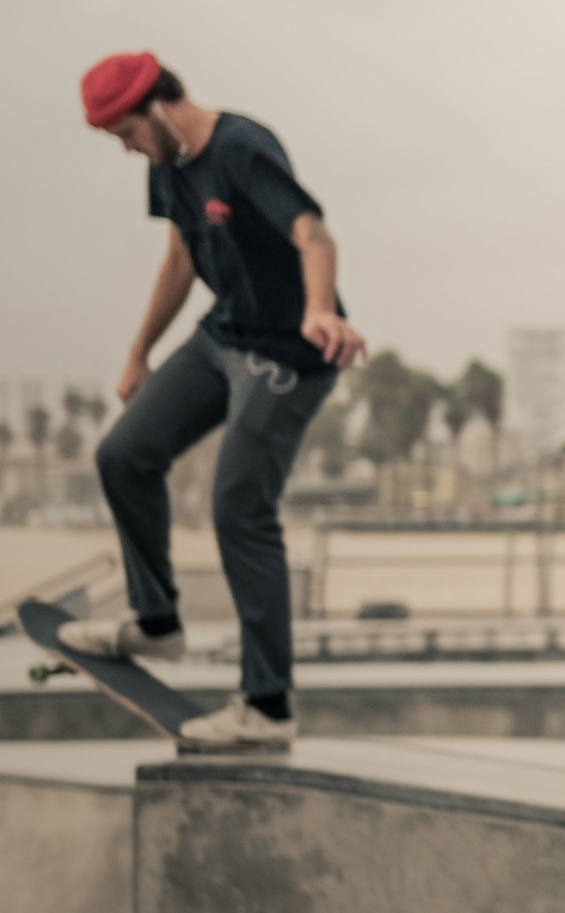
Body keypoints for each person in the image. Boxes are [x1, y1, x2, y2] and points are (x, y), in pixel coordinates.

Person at [67, 53, 365, 750]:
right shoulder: (167, 164)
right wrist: (140, 350)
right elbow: (180, 256)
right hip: (221, 335)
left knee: (239, 505)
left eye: (128, 134)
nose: (129, 149)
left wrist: (320, 309)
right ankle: (156, 622)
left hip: (287, 353)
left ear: (160, 108)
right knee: (123, 454)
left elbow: (313, 232)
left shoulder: (241, 150)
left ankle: (266, 705)